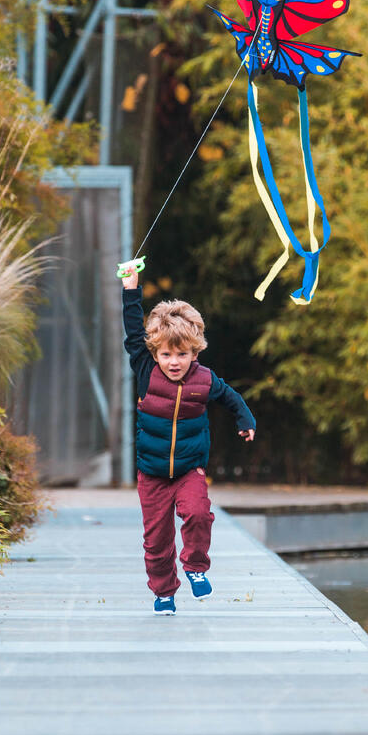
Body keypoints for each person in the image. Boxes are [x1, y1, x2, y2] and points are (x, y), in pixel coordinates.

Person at [120, 261, 255, 615]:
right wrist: (131, 288)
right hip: (151, 473)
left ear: (196, 352)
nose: (174, 362)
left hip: (189, 469)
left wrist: (245, 419)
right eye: (166, 354)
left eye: (182, 354)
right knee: (157, 540)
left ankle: (196, 567)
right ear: (155, 353)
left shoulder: (204, 380)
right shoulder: (146, 370)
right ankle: (164, 592)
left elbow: (230, 397)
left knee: (197, 513)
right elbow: (134, 332)